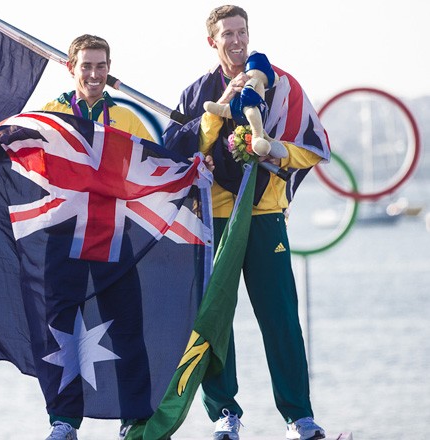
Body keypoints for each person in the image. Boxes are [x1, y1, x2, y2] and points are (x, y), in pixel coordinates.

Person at [0, 34, 158, 440]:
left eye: (101, 66)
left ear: (109, 68)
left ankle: (135, 419)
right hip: (62, 232)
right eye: (87, 65)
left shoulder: (128, 118)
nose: (95, 74)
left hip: (113, 232)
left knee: (127, 327)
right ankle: (64, 421)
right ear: (71, 67)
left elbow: (157, 161)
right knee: (59, 329)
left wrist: (194, 163)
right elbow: (11, 141)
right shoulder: (52, 112)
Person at [162, 5, 330, 440]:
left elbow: (313, 146)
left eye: (241, 32)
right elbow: (173, 151)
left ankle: (299, 417)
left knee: (281, 318)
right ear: (212, 41)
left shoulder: (283, 86)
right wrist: (215, 115)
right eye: (227, 34)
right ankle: (224, 415)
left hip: (264, 216)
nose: (236, 41)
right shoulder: (197, 92)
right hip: (213, 219)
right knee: (214, 319)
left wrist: (272, 148)